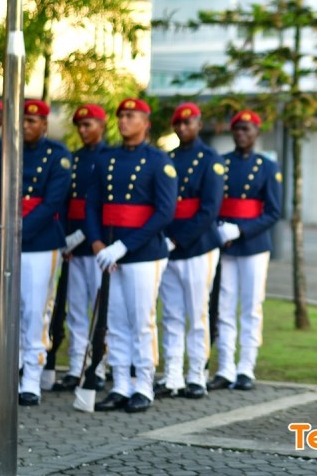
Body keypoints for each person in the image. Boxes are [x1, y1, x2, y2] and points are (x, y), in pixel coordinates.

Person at [85, 98, 177, 413]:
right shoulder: (106, 158)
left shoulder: (158, 160)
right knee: (115, 321)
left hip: (143, 253)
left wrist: (124, 246)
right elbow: (93, 205)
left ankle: (144, 385)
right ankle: (121, 384)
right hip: (109, 250)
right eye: (121, 116)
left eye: (130, 116)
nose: (123, 121)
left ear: (145, 123)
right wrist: (97, 242)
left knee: (141, 321)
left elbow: (164, 212)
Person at [207, 109, 282, 391]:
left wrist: (241, 230)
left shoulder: (267, 167)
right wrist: (219, 229)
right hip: (225, 243)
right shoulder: (221, 163)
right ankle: (226, 368)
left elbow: (273, 212)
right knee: (224, 307)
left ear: (256, 133)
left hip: (253, 244)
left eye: (247, 129)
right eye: (237, 129)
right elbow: (212, 203)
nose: (241, 134)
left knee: (251, 307)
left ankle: (246, 368)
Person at [156, 103, 224, 399]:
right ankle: (172, 374)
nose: (183, 128)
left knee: (197, 313)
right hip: (169, 245)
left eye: (188, 123)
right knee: (171, 314)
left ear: (199, 124)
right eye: (178, 123)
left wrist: (177, 239)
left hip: (198, 245)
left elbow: (210, 209)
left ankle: (196, 374)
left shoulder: (210, 159)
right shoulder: (168, 158)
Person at [17, 99, 72, 406]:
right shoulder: (6, 147)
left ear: (44, 124)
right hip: (6, 235)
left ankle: (31, 377)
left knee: (35, 309)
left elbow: (53, 202)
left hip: (39, 240)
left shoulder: (57, 155)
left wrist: (18, 231)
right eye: (23, 120)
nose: (26, 125)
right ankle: (11, 369)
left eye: (32, 121)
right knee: (8, 311)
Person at [51, 104, 108, 392]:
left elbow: (102, 206)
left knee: (102, 312)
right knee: (75, 309)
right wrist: (65, 238)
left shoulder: (110, 158)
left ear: (102, 125)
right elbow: (63, 203)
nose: (83, 130)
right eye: (80, 126)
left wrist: (89, 235)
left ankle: (99, 365)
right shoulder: (73, 159)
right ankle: (76, 366)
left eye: (89, 124)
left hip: (99, 244)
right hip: (74, 246)